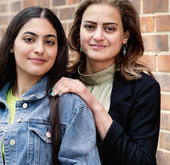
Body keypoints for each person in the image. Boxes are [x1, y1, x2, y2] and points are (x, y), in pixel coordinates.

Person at [0, 6, 101, 165]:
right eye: (29, 39)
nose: (40, 49)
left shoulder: (71, 107)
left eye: (49, 42)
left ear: (58, 49)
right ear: (11, 45)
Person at [51, 0, 160, 165]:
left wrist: (92, 102)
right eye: (90, 27)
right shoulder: (59, 80)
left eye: (110, 29)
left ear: (125, 36)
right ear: (79, 32)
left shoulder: (144, 88)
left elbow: (142, 161)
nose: (98, 36)